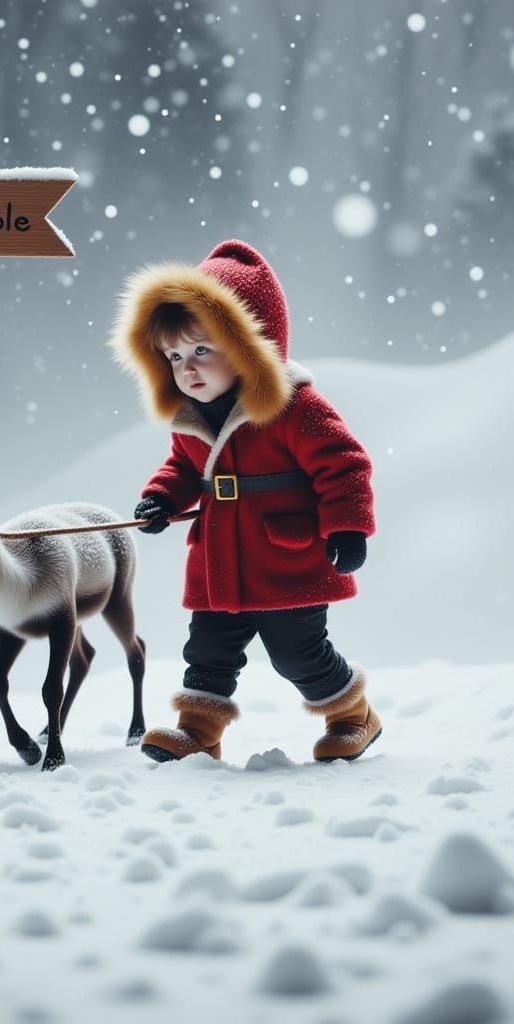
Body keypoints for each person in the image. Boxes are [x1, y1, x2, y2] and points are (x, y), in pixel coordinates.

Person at [109, 239, 380, 764]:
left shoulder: (295, 407)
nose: (187, 369)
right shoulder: (191, 417)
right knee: (208, 647)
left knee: (297, 653)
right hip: (218, 560)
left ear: (249, 346)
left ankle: (353, 714)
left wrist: (348, 526)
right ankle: (200, 729)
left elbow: (344, 463)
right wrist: (160, 498)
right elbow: (184, 468)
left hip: (286, 559)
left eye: (202, 351)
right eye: (174, 357)